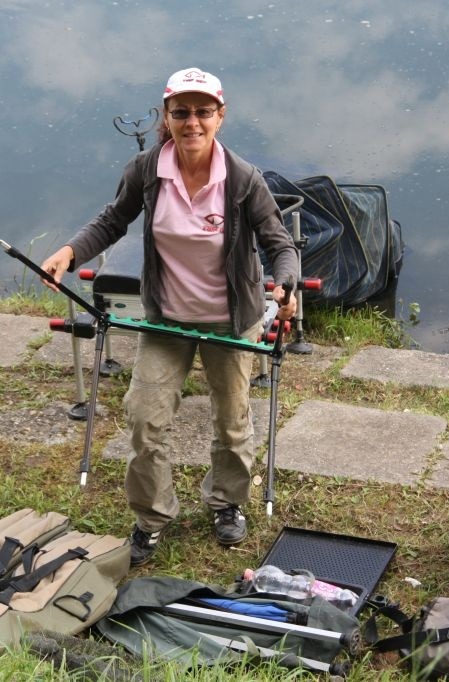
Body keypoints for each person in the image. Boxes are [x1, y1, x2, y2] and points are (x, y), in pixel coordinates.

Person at [40, 67, 299, 566]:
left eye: (204, 112)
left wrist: (285, 284)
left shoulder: (243, 179)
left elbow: (278, 245)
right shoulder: (146, 169)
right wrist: (70, 252)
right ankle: (153, 517)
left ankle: (226, 503)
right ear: (168, 116)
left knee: (231, 419)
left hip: (230, 320)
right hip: (166, 320)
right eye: (182, 112)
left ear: (220, 117)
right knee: (143, 417)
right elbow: (113, 219)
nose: (192, 122)